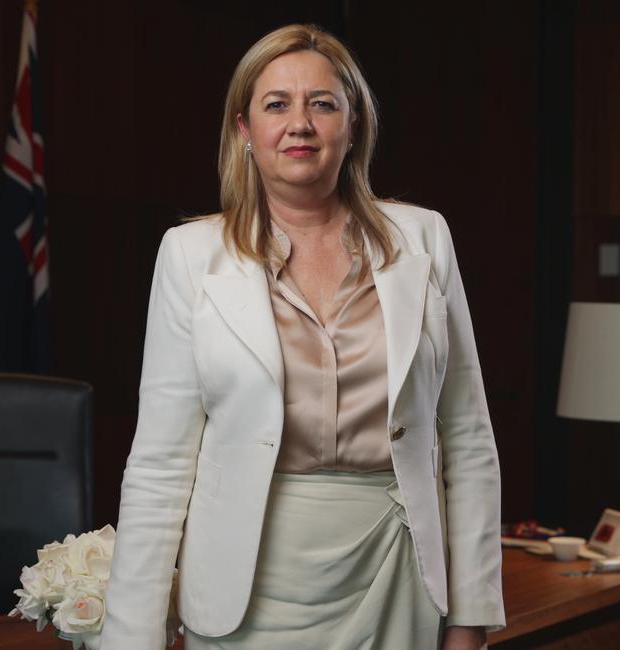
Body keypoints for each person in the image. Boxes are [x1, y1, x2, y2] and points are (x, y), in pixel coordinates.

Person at [99, 23, 505, 650]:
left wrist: (471, 619)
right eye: (276, 104)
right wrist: (132, 639)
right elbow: (159, 466)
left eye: (322, 104)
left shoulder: (424, 239)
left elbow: (469, 438)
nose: (300, 124)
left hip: (395, 576)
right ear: (244, 131)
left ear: (354, 125)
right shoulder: (189, 255)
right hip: (247, 590)